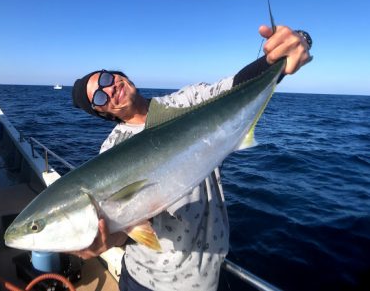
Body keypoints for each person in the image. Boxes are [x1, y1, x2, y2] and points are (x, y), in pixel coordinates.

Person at [71, 25, 312, 291]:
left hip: (208, 274)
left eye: (106, 79)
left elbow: (235, 87)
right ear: (103, 112)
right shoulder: (111, 151)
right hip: (144, 279)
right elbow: (128, 222)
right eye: (101, 96)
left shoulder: (186, 102)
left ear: (118, 75)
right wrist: (107, 240)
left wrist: (280, 54)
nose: (111, 89)